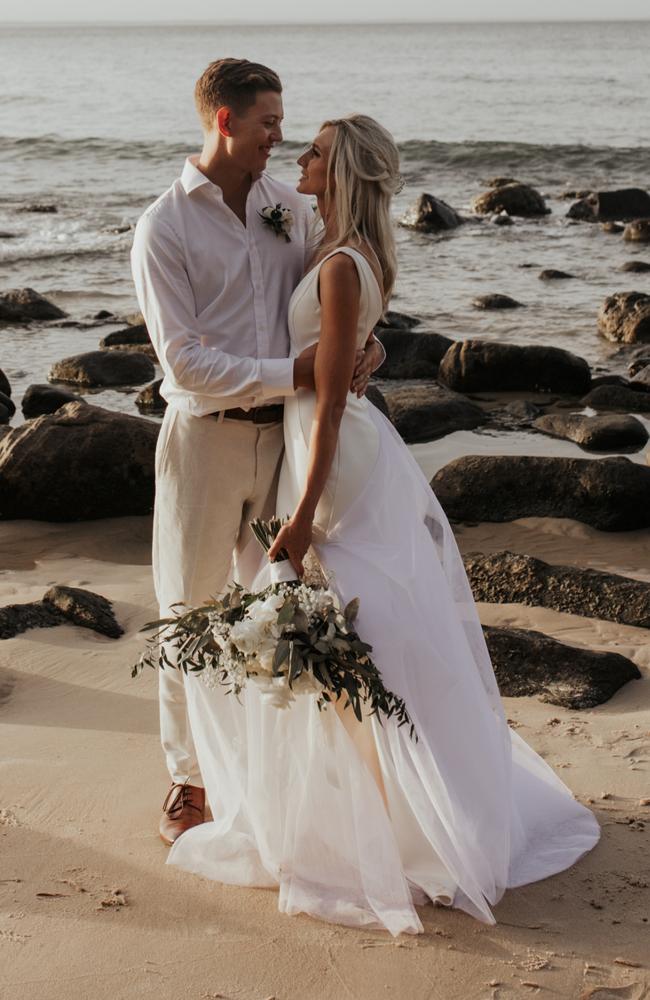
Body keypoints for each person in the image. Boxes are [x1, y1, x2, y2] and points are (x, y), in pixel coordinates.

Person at [166, 114, 601, 935]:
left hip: (332, 450)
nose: (300, 157)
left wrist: (298, 516)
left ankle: (396, 821)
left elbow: (329, 401)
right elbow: (344, 361)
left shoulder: (336, 265)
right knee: (376, 633)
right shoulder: (343, 251)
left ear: (343, 171)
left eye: (316, 152)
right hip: (339, 444)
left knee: (363, 632)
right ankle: (390, 801)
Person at [130, 60, 385, 847]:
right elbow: (184, 364)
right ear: (225, 122)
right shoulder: (164, 226)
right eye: (270, 122)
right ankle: (189, 780)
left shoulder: (289, 208)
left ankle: (264, 762)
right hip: (202, 445)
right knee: (188, 611)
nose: (282, 136)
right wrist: (302, 373)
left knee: (274, 605)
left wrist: (362, 349)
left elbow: (330, 298)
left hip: (285, 440)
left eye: (284, 123)